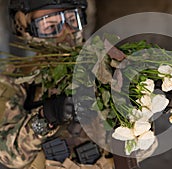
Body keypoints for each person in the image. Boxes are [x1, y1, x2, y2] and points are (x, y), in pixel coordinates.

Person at [0, 0, 115, 168]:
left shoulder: (106, 68)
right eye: (50, 25)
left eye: (72, 19)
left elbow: (143, 148)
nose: (66, 32)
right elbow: (9, 156)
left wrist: (147, 104)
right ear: (25, 28)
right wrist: (46, 117)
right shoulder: (14, 79)